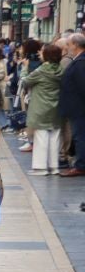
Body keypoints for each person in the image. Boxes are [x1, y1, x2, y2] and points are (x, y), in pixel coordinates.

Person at [24, 43, 66, 174]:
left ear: (47, 55)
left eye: (42, 52)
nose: (39, 54)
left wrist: (25, 69)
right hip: (57, 107)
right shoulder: (61, 70)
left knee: (41, 137)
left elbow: (26, 81)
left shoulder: (41, 71)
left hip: (41, 108)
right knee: (55, 136)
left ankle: (41, 167)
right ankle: (54, 167)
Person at [61, 35, 85, 175]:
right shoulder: (78, 61)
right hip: (77, 108)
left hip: (79, 109)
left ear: (75, 45)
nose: (67, 47)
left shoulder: (81, 62)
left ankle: (81, 165)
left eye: (69, 44)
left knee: (80, 136)